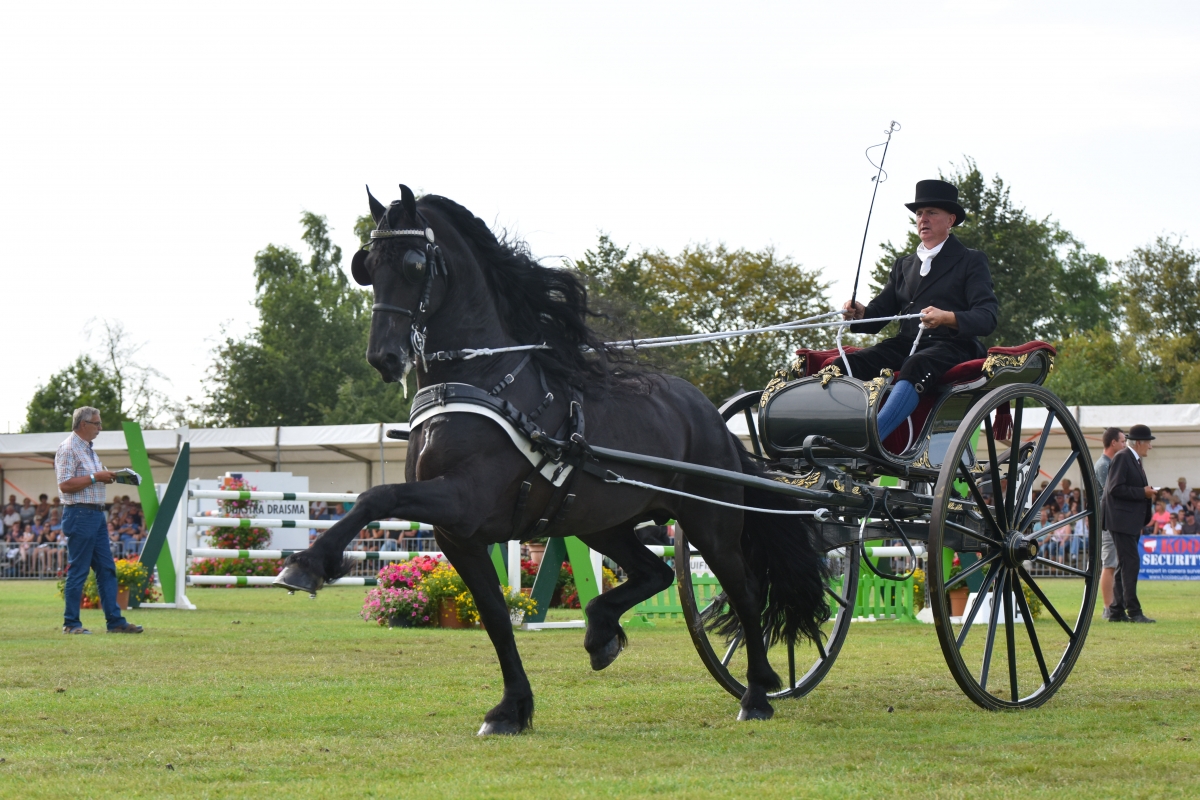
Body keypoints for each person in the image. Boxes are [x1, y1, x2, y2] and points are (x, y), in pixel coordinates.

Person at [838, 179, 1000, 440]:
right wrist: (860, 313)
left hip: (953, 346)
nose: (923, 219)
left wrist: (946, 317)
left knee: (916, 363)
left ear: (950, 219)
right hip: (907, 343)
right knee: (849, 362)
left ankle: (870, 439)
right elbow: (880, 314)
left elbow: (987, 316)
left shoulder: (971, 260)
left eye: (932, 213)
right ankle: (826, 435)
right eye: (919, 213)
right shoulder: (904, 265)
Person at [56, 406, 142, 635]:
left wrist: (106, 477)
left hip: (95, 515)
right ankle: (71, 623)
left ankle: (115, 622)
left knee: (107, 569)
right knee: (79, 571)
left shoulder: (89, 450)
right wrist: (96, 477)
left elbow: (88, 480)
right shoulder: (68, 448)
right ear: (83, 424)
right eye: (97, 424)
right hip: (79, 514)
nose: (100, 428)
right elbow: (64, 484)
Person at [1102, 423, 1157, 623]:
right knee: (1131, 564)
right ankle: (1134, 611)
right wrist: (1143, 492)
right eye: (1148, 443)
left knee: (1124, 565)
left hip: (1128, 521)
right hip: (1121, 521)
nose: (1150, 447)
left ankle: (1116, 610)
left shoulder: (1133, 460)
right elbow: (1115, 488)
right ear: (1140, 442)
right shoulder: (1123, 458)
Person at [1095, 427, 1124, 618]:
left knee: (1113, 563)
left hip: (1112, 519)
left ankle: (1114, 605)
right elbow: (1111, 491)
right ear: (1113, 443)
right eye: (1122, 441)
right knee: (1109, 564)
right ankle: (1108, 607)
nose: (1124, 445)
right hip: (1107, 519)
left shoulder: (1109, 463)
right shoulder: (1104, 465)